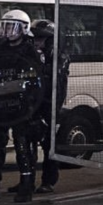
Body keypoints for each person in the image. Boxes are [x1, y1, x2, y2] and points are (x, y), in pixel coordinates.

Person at [0, 10, 46, 202]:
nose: (8, 31)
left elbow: (36, 78)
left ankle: (26, 183)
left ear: (23, 28)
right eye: (5, 26)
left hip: (21, 104)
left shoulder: (30, 51)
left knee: (22, 143)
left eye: (12, 26)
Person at [30, 20, 69, 194]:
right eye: (36, 38)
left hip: (50, 103)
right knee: (27, 141)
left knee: (49, 145)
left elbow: (56, 76)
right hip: (33, 103)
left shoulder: (59, 55)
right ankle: (27, 179)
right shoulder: (34, 53)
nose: (37, 41)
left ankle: (48, 180)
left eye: (41, 38)